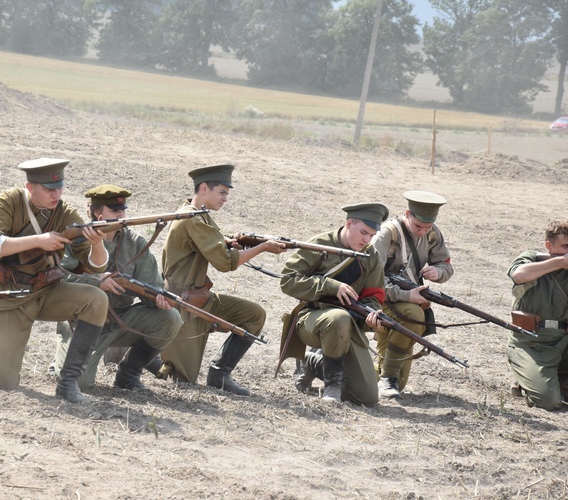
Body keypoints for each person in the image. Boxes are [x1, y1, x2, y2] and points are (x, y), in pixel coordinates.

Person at [0, 158, 109, 403]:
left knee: (96, 299)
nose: (57, 194)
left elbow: (96, 266)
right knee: (3, 383)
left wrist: (98, 242)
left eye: (60, 188)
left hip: (46, 291)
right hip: (8, 294)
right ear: (30, 188)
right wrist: (39, 241)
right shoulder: (10, 201)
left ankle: (69, 383)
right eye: (50, 190)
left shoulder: (66, 213)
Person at [160, 164, 286, 395]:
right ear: (205, 188)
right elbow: (226, 263)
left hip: (198, 298)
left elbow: (215, 245)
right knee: (182, 380)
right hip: (182, 304)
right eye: (223, 192)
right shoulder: (193, 219)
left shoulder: (199, 215)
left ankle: (219, 374)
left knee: (253, 314)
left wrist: (230, 243)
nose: (225, 199)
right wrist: (263, 247)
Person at [50, 184, 182, 391]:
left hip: (119, 320)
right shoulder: (76, 239)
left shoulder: (134, 242)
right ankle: (61, 356)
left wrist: (156, 299)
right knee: (79, 383)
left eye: (123, 209)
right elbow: (58, 279)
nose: (121, 214)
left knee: (171, 318)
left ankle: (128, 374)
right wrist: (96, 282)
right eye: (114, 210)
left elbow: (153, 284)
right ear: (97, 212)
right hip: (82, 323)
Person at [280, 203, 388, 405]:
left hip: (350, 325)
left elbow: (373, 296)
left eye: (372, 235)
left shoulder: (371, 256)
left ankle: (313, 364)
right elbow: (287, 280)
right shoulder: (319, 245)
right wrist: (330, 286)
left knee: (367, 397)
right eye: (363, 232)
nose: (367, 240)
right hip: (311, 319)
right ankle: (332, 386)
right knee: (339, 317)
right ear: (348, 223)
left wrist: (373, 314)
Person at [370, 191, 452, 399]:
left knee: (400, 383)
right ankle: (387, 377)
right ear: (407, 214)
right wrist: (407, 296)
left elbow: (446, 265)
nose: (423, 232)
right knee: (416, 315)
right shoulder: (387, 235)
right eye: (418, 227)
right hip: (382, 300)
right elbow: (373, 280)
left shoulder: (432, 233)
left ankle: (356, 371)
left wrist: (438, 272)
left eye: (427, 227)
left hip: (408, 300)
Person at [506, 220, 568, 410]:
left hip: (563, 340)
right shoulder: (531, 258)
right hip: (531, 342)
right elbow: (519, 275)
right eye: (565, 246)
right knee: (548, 401)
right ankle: (525, 379)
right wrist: (560, 262)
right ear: (549, 246)